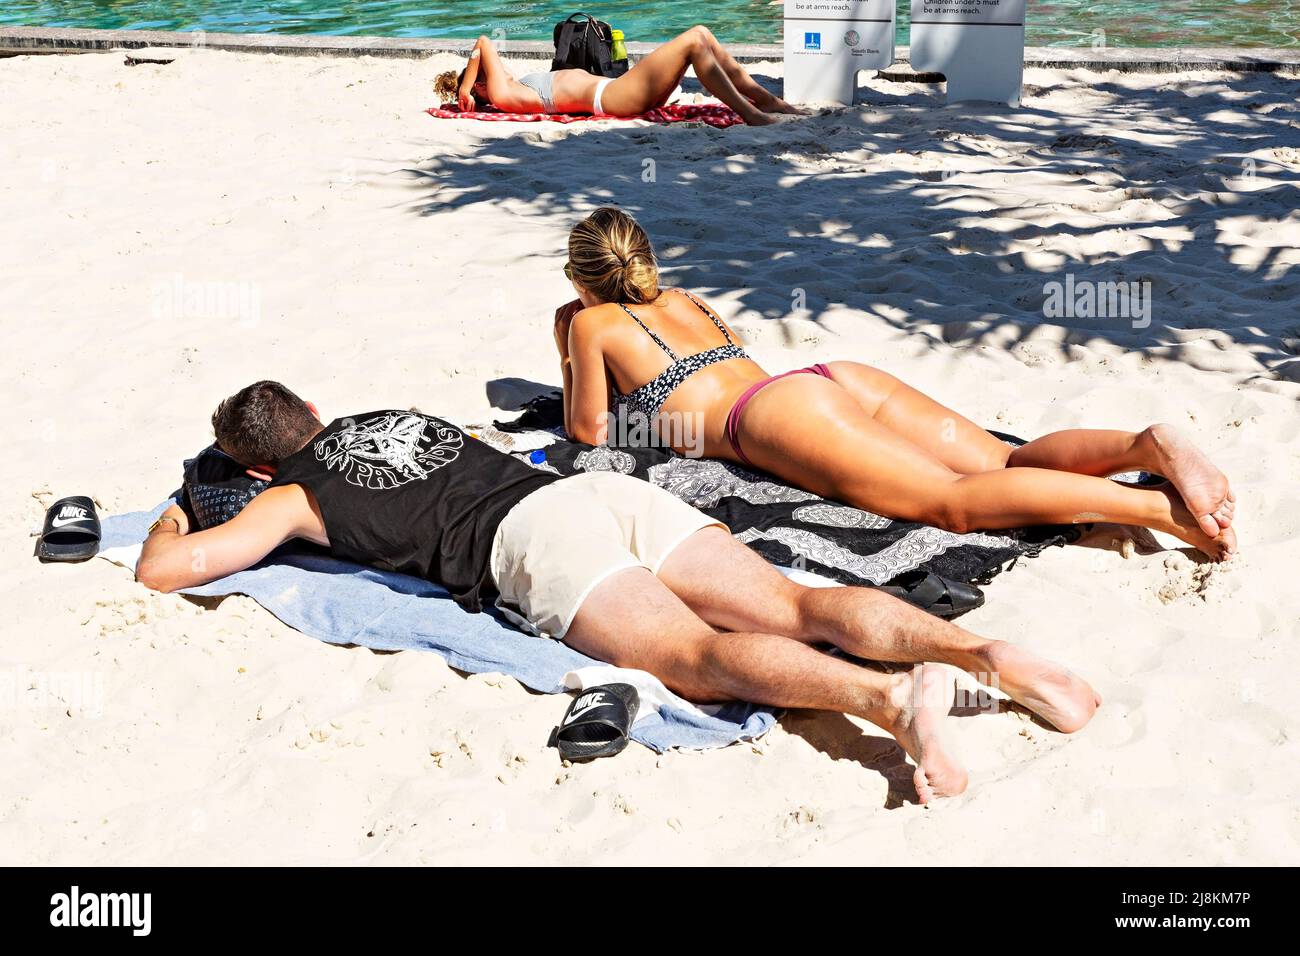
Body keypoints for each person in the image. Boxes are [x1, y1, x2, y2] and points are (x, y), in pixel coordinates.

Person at [137, 381, 1102, 803]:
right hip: (592, 492)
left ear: (257, 467)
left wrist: (181, 512)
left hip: (528, 543)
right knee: (794, 602)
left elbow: (169, 573)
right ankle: (977, 656)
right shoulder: (394, 413)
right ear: (315, 407)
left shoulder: (289, 497)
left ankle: (888, 698)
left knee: (694, 660)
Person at [554, 207, 1239, 561]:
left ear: (583, 281)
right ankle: (1142, 446)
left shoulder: (592, 325)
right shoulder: (688, 298)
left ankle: (1158, 512)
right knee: (1002, 461)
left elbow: (586, 430)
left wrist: (566, 339)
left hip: (770, 420)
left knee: (951, 502)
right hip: (829, 382)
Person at [433, 27, 803, 127]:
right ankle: (750, 113)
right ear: (480, 83)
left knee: (702, 33)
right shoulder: (499, 94)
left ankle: (766, 100)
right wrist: (465, 85)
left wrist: (468, 77)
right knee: (693, 41)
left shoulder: (510, 85)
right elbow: (483, 42)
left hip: (617, 91)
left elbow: (484, 50)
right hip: (616, 98)